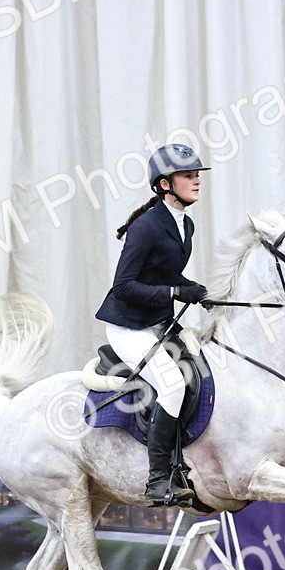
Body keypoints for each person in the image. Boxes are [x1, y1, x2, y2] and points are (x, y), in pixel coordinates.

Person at [95, 143, 211, 506]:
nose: (196, 181)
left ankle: (187, 463)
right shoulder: (145, 227)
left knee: (202, 369)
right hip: (129, 326)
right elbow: (124, 286)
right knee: (173, 385)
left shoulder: (185, 224)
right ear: (164, 184)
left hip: (157, 321)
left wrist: (193, 289)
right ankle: (158, 479)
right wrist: (177, 290)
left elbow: (164, 273)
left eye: (197, 175)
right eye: (187, 175)